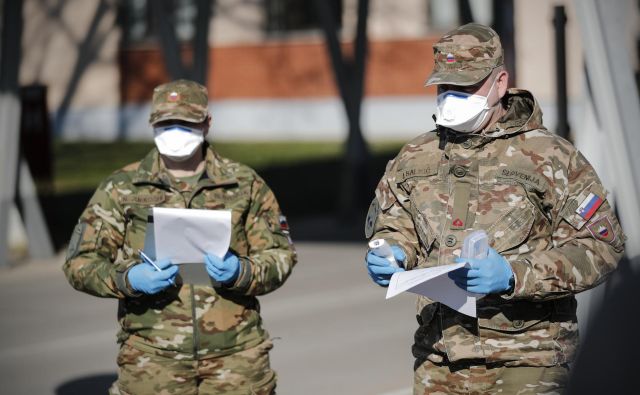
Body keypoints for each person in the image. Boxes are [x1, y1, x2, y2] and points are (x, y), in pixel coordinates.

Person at [364, 23, 625, 394]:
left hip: (528, 362)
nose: (452, 96)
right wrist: (392, 251)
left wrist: (515, 274)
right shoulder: (415, 155)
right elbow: (397, 222)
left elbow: (602, 247)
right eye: (445, 87)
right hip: (438, 359)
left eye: (466, 86)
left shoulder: (551, 157)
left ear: (500, 83)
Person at [63, 79, 297, 395]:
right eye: (166, 122)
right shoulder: (121, 187)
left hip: (238, 357)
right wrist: (128, 279)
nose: (175, 130)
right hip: (152, 358)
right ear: (153, 125)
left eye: (185, 122)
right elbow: (79, 262)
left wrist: (242, 272)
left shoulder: (244, 184)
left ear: (206, 123)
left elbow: (280, 254)